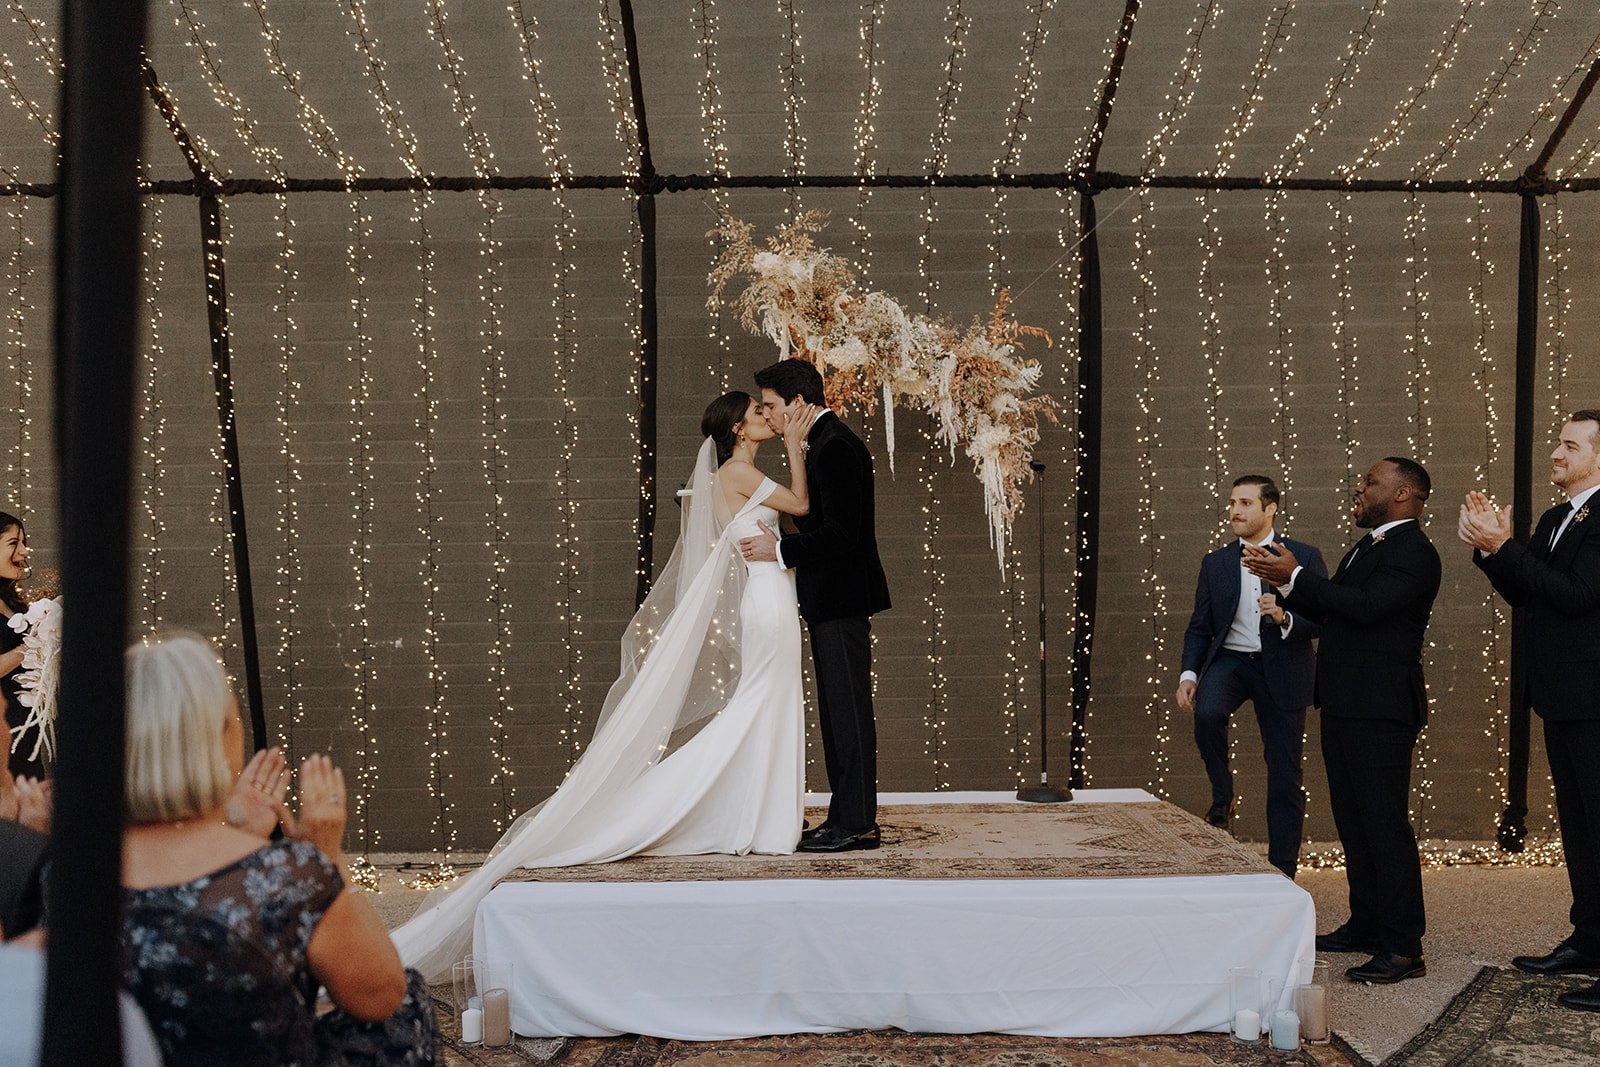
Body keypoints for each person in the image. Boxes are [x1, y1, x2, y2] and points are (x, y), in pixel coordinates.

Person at [393, 390, 819, 980]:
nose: (766, 420)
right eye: (757, 415)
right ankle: (746, 814)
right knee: (759, 705)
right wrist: (798, 448)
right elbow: (799, 503)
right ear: (741, 430)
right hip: (767, 595)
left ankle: (762, 813)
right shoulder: (742, 472)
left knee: (764, 705)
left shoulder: (730, 473)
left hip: (767, 592)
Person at [118, 633, 436, 1066]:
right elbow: (381, 996)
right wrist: (326, 858)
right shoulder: (286, 874)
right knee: (409, 1005)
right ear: (217, 737)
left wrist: (239, 833)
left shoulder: (64, 871)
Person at [1244, 457, 1441, 985]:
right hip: (1345, 702)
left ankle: (1403, 947)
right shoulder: (1370, 544)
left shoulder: (1414, 552)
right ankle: (1367, 922)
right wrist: (1288, 586)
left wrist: (1297, 575)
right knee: (1354, 820)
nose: (1359, 487)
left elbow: (1368, 607)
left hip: (1381, 708)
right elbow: (1336, 608)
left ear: (1403, 495)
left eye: (1371, 482)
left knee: (1384, 824)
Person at [1461, 410, 1600, 1013]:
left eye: (1570, 446)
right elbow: (1525, 588)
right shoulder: (1554, 517)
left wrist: (1505, 546)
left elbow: (1577, 596)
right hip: (1561, 696)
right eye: (1558, 443)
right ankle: (1591, 938)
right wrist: (1491, 551)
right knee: (1579, 828)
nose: (1557, 454)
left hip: (1595, 697)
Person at [739, 358, 891, 853]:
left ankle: (857, 824)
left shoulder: (836, 447)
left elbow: (843, 536)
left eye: (771, 406)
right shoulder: (822, 445)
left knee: (847, 713)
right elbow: (822, 521)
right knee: (836, 713)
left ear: (799, 403)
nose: (768, 414)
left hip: (842, 599)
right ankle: (843, 816)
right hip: (830, 600)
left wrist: (777, 550)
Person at [1177, 475, 1324, 878]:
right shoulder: (1216, 563)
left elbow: (1323, 619)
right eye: (1231, 503)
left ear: (1270, 508)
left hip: (1283, 666)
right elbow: (1199, 627)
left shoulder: (1303, 557)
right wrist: (1189, 674)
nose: (1235, 511)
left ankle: (1283, 872)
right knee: (1206, 714)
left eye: (1245, 503)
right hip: (1232, 662)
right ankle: (1223, 797)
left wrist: (1284, 616)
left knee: (1284, 774)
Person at [0, 513, 38, 778]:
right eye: (14, 542)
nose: (24, 551)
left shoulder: (12, 601)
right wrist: (33, 646)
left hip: (25, 730)